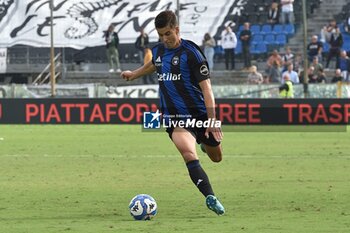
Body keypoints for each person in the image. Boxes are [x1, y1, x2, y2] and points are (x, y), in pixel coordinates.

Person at [120, 10, 225, 215]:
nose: (164, 38)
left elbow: (207, 89)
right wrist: (134, 74)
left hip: (200, 115)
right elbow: (153, 65)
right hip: (174, 116)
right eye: (160, 35)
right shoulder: (158, 50)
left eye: (168, 33)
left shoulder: (192, 53)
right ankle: (210, 196)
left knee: (216, 157)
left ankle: (205, 143)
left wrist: (212, 120)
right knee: (188, 154)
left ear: (177, 29)